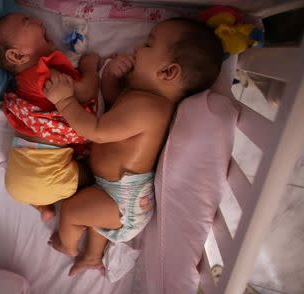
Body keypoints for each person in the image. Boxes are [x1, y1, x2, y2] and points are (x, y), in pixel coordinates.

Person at [43, 18, 224, 275]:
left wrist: (64, 102)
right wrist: (111, 77)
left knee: (72, 210)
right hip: (118, 193)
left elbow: (98, 130)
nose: (137, 48)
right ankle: (93, 256)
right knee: (93, 217)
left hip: (121, 201)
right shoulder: (145, 101)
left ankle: (67, 244)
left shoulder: (149, 109)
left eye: (148, 44)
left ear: (168, 72)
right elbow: (114, 107)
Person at [0, 13, 100, 221]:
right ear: (16, 56)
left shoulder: (24, 82)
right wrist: (89, 68)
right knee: (93, 177)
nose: (39, 21)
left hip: (20, 180)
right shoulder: (43, 75)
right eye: (28, 22)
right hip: (38, 173)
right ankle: (51, 204)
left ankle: (42, 208)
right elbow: (85, 92)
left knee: (42, 188)